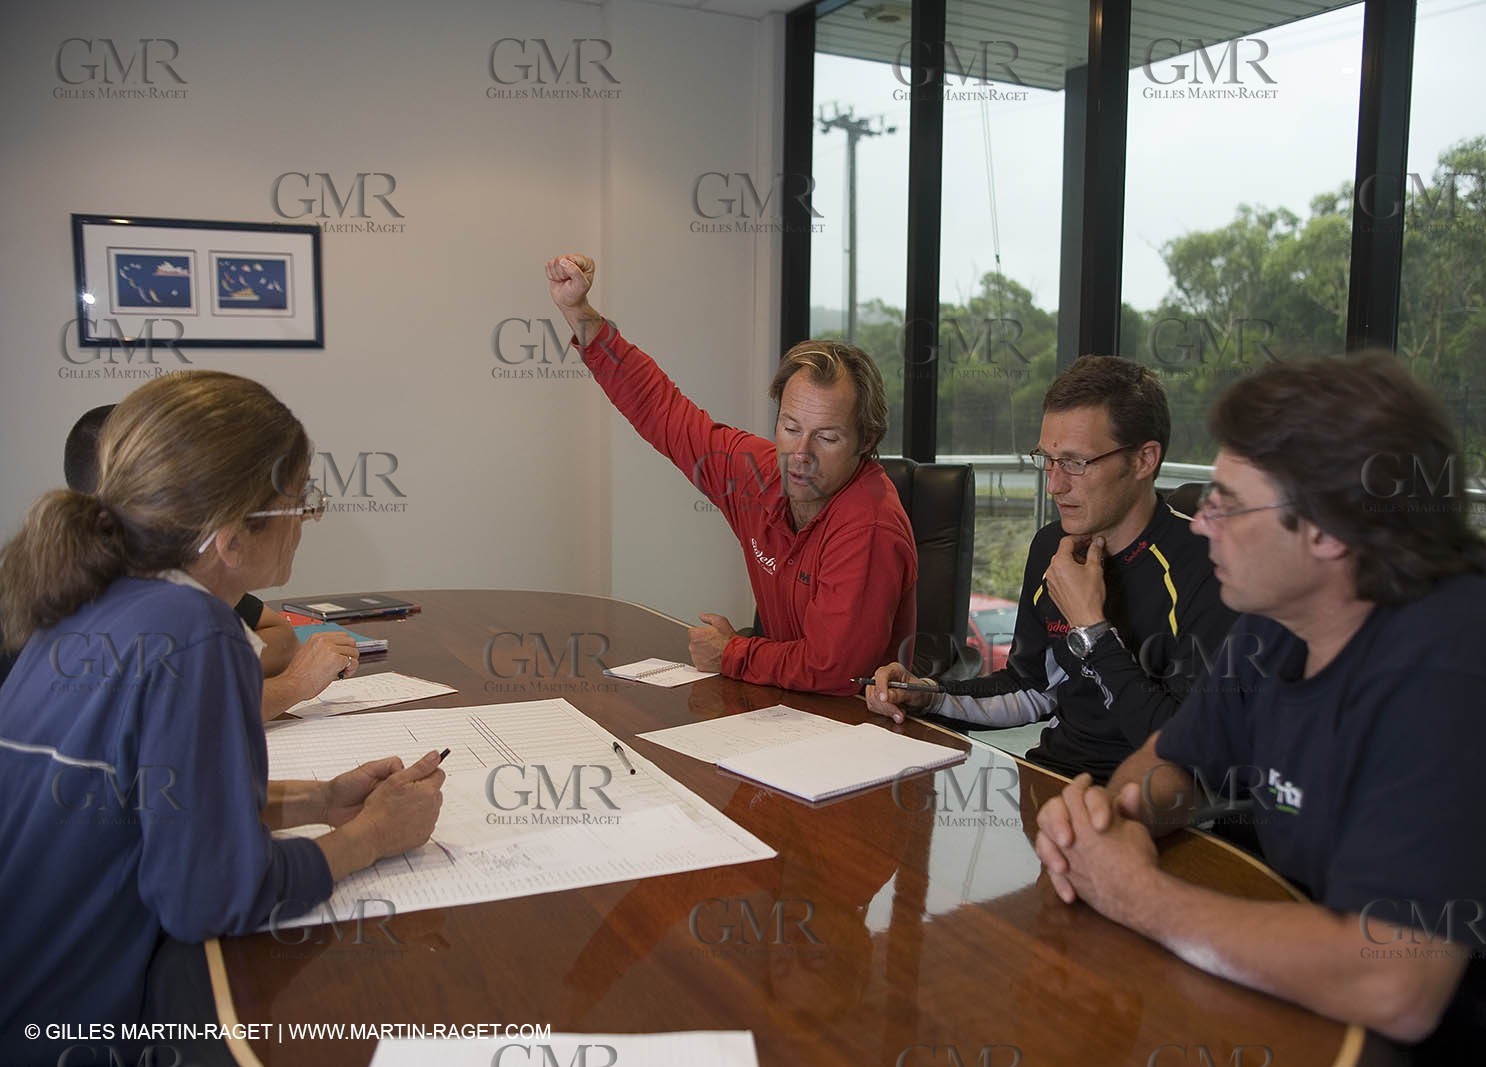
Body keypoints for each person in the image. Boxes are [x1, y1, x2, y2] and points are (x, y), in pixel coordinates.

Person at [1033, 353, 1486, 1066]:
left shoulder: (1462, 676)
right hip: (1326, 1001)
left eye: (1229, 504)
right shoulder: (1282, 620)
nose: (1202, 524)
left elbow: (1395, 979)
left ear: (1329, 529)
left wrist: (1138, 894)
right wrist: (1113, 818)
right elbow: (1175, 758)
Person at [0, 371, 445, 1065]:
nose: (308, 520)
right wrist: (372, 835)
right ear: (232, 537)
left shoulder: (90, 594)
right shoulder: (194, 631)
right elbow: (209, 896)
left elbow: (146, 805)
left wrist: (322, 799)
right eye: (300, 500)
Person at [545, 254, 916, 696]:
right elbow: (662, 411)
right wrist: (579, 312)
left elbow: (835, 668)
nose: (800, 454)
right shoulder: (758, 473)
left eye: (827, 438)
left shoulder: (867, 525)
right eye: (791, 428)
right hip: (782, 707)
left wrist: (731, 653)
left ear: (866, 441)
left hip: (859, 729)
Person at [866, 357, 1235, 783]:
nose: (1054, 484)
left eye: (1077, 463)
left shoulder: (1213, 565)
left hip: (1154, 806)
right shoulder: (1051, 546)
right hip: (1054, 780)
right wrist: (925, 695)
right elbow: (1031, 686)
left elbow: (1188, 750)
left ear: (1143, 460)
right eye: (1047, 459)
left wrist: (1091, 630)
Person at [62, 403, 358, 719]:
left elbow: (276, 639)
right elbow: (193, 716)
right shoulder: (142, 597)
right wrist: (295, 683)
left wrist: (215, 674)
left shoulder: (176, 580)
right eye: (297, 504)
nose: (306, 519)